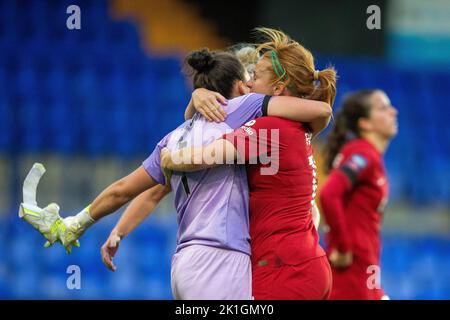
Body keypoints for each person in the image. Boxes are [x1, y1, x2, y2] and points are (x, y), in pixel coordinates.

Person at [23, 46, 331, 299]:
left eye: (256, 77)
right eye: (248, 78)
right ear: (238, 87)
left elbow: (125, 189)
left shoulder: (172, 138)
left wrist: (76, 224)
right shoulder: (248, 113)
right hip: (224, 259)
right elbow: (320, 113)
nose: (250, 84)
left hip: (184, 264)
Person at [160, 27, 337, 300]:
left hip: (283, 268)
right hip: (307, 263)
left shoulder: (270, 129)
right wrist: (196, 98)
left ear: (277, 88)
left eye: (255, 76)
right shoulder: (298, 128)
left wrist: (170, 159)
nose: (249, 83)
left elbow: (206, 156)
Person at [319, 89, 398, 300]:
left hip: (364, 274)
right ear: (365, 123)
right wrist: (343, 248)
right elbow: (329, 194)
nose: (393, 112)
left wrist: (377, 292)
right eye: (383, 108)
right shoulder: (362, 153)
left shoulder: (369, 155)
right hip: (350, 278)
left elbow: (365, 227)